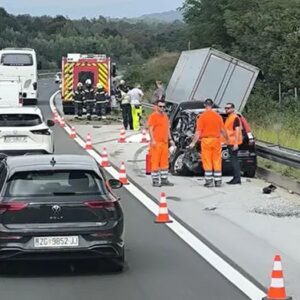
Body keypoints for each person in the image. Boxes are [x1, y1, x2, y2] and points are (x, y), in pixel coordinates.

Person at [189, 98, 229, 187]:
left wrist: (193, 142)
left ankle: (209, 181)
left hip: (206, 141)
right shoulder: (218, 116)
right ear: (212, 105)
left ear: (204, 105)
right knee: (217, 160)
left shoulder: (202, 117)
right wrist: (227, 140)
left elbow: (198, 132)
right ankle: (218, 181)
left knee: (207, 160)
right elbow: (223, 130)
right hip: (216, 141)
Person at [147, 100, 175, 187]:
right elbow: (151, 129)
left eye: (163, 106)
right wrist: (153, 140)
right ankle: (155, 181)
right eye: (160, 106)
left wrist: (170, 139)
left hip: (164, 143)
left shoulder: (165, 116)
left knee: (164, 163)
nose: (162, 108)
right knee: (155, 162)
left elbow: (167, 129)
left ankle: (164, 180)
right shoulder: (153, 116)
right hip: (157, 143)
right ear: (157, 106)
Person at [224, 103, 242, 184]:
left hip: (233, 143)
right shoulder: (229, 118)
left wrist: (235, 144)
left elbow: (237, 130)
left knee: (234, 160)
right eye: (225, 108)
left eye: (228, 108)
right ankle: (236, 178)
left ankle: (237, 179)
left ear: (233, 109)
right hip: (230, 142)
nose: (226, 109)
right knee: (233, 160)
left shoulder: (235, 118)